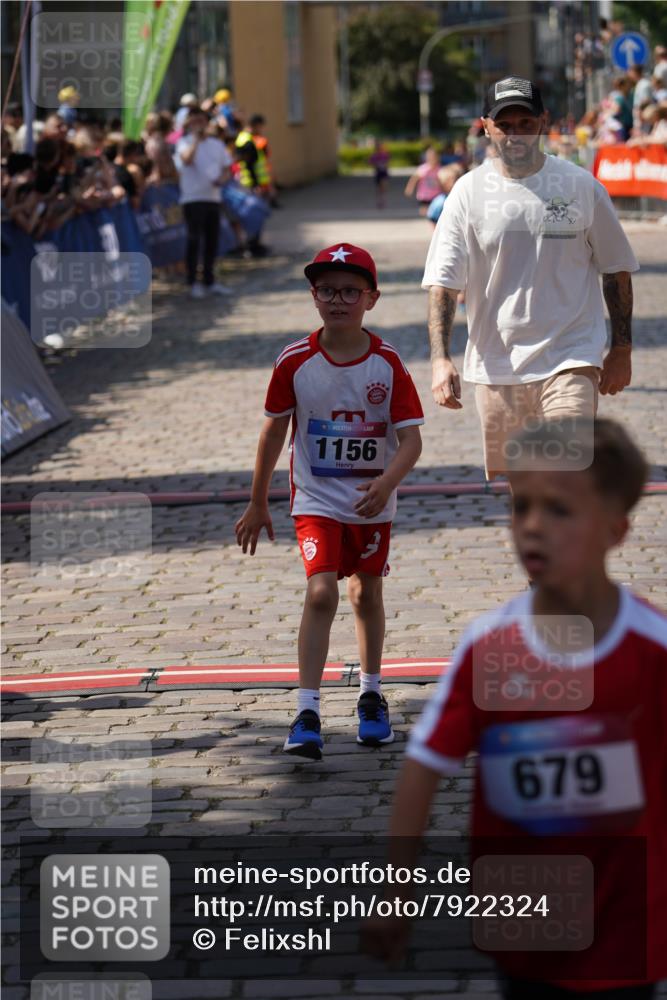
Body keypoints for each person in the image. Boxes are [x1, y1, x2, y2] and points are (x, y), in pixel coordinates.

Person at [362, 418, 667, 998]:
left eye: (558, 510)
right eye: (519, 506)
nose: (531, 527)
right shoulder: (491, 648)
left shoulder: (653, 650)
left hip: (630, 932)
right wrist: (396, 892)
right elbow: (424, 765)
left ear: (616, 529)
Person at [235, 243, 424, 760]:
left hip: (370, 503)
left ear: (371, 298)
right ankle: (307, 709)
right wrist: (258, 502)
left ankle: (370, 694)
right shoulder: (295, 360)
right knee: (322, 593)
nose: (337, 300)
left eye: (349, 291)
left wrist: (386, 483)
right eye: (326, 290)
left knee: (366, 595)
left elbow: (410, 440)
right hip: (316, 498)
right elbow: (273, 434)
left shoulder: (387, 363)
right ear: (314, 296)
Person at [424, 76, 639, 481]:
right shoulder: (468, 193)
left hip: (570, 357)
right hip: (497, 364)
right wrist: (440, 360)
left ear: (543, 122)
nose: (516, 134)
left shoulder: (580, 186)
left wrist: (621, 349)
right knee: (525, 492)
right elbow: (444, 283)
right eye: (506, 125)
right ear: (486, 125)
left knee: (565, 476)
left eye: (526, 123)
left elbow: (616, 268)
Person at [175, 106, 233, 299]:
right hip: (192, 198)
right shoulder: (183, 142)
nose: (199, 125)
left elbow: (227, 167)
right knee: (194, 241)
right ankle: (192, 282)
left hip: (213, 197)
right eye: (195, 121)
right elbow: (187, 160)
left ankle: (209, 280)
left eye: (201, 121)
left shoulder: (217, 144)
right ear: (189, 123)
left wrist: (223, 179)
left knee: (211, 241)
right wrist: (196, 141)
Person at [404, 146, 441, 215]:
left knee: (434, 212)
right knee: (424, 212)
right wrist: (409, 188)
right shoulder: (423, 168)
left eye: (434, 156)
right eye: (430, 156)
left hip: (436, 195)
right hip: (424, 195)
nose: (432, 158)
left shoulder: (439, 169)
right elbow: (414, 179)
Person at [369, 139, 390, 209]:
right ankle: (380, 200)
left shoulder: (385, 154)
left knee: (384, 187)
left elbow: (388, 162)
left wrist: (383, 164)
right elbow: (370, 162)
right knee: (379, 188)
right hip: (378, 172)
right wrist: (377, 164)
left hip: (384, 172)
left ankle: (382, 200)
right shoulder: (374, 155)